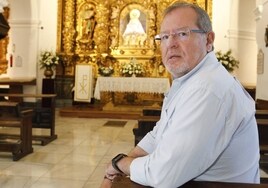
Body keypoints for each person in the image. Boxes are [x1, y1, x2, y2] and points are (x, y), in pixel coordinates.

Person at [100, 1, 260, 187]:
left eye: (182, 34)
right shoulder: (191, 80)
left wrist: (119, 163)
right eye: (165, 37)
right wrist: (128, 160)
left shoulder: (208, 89)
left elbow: (163, 174)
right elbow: (159, 133)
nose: (171, 44)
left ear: (208, 40)